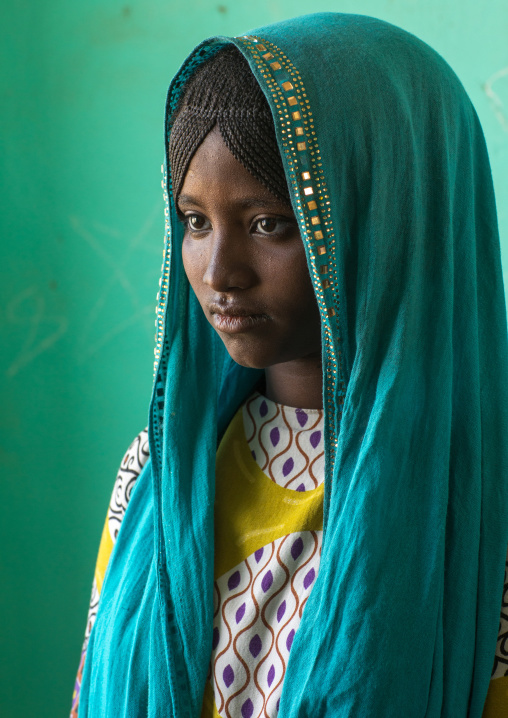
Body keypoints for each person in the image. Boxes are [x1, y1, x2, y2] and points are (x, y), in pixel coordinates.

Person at [71, 12, 508, 718]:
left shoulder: (482, 505)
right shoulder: (157, 479)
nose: (220, 273)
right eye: (194, 221)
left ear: (388, 219)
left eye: (269, 223)